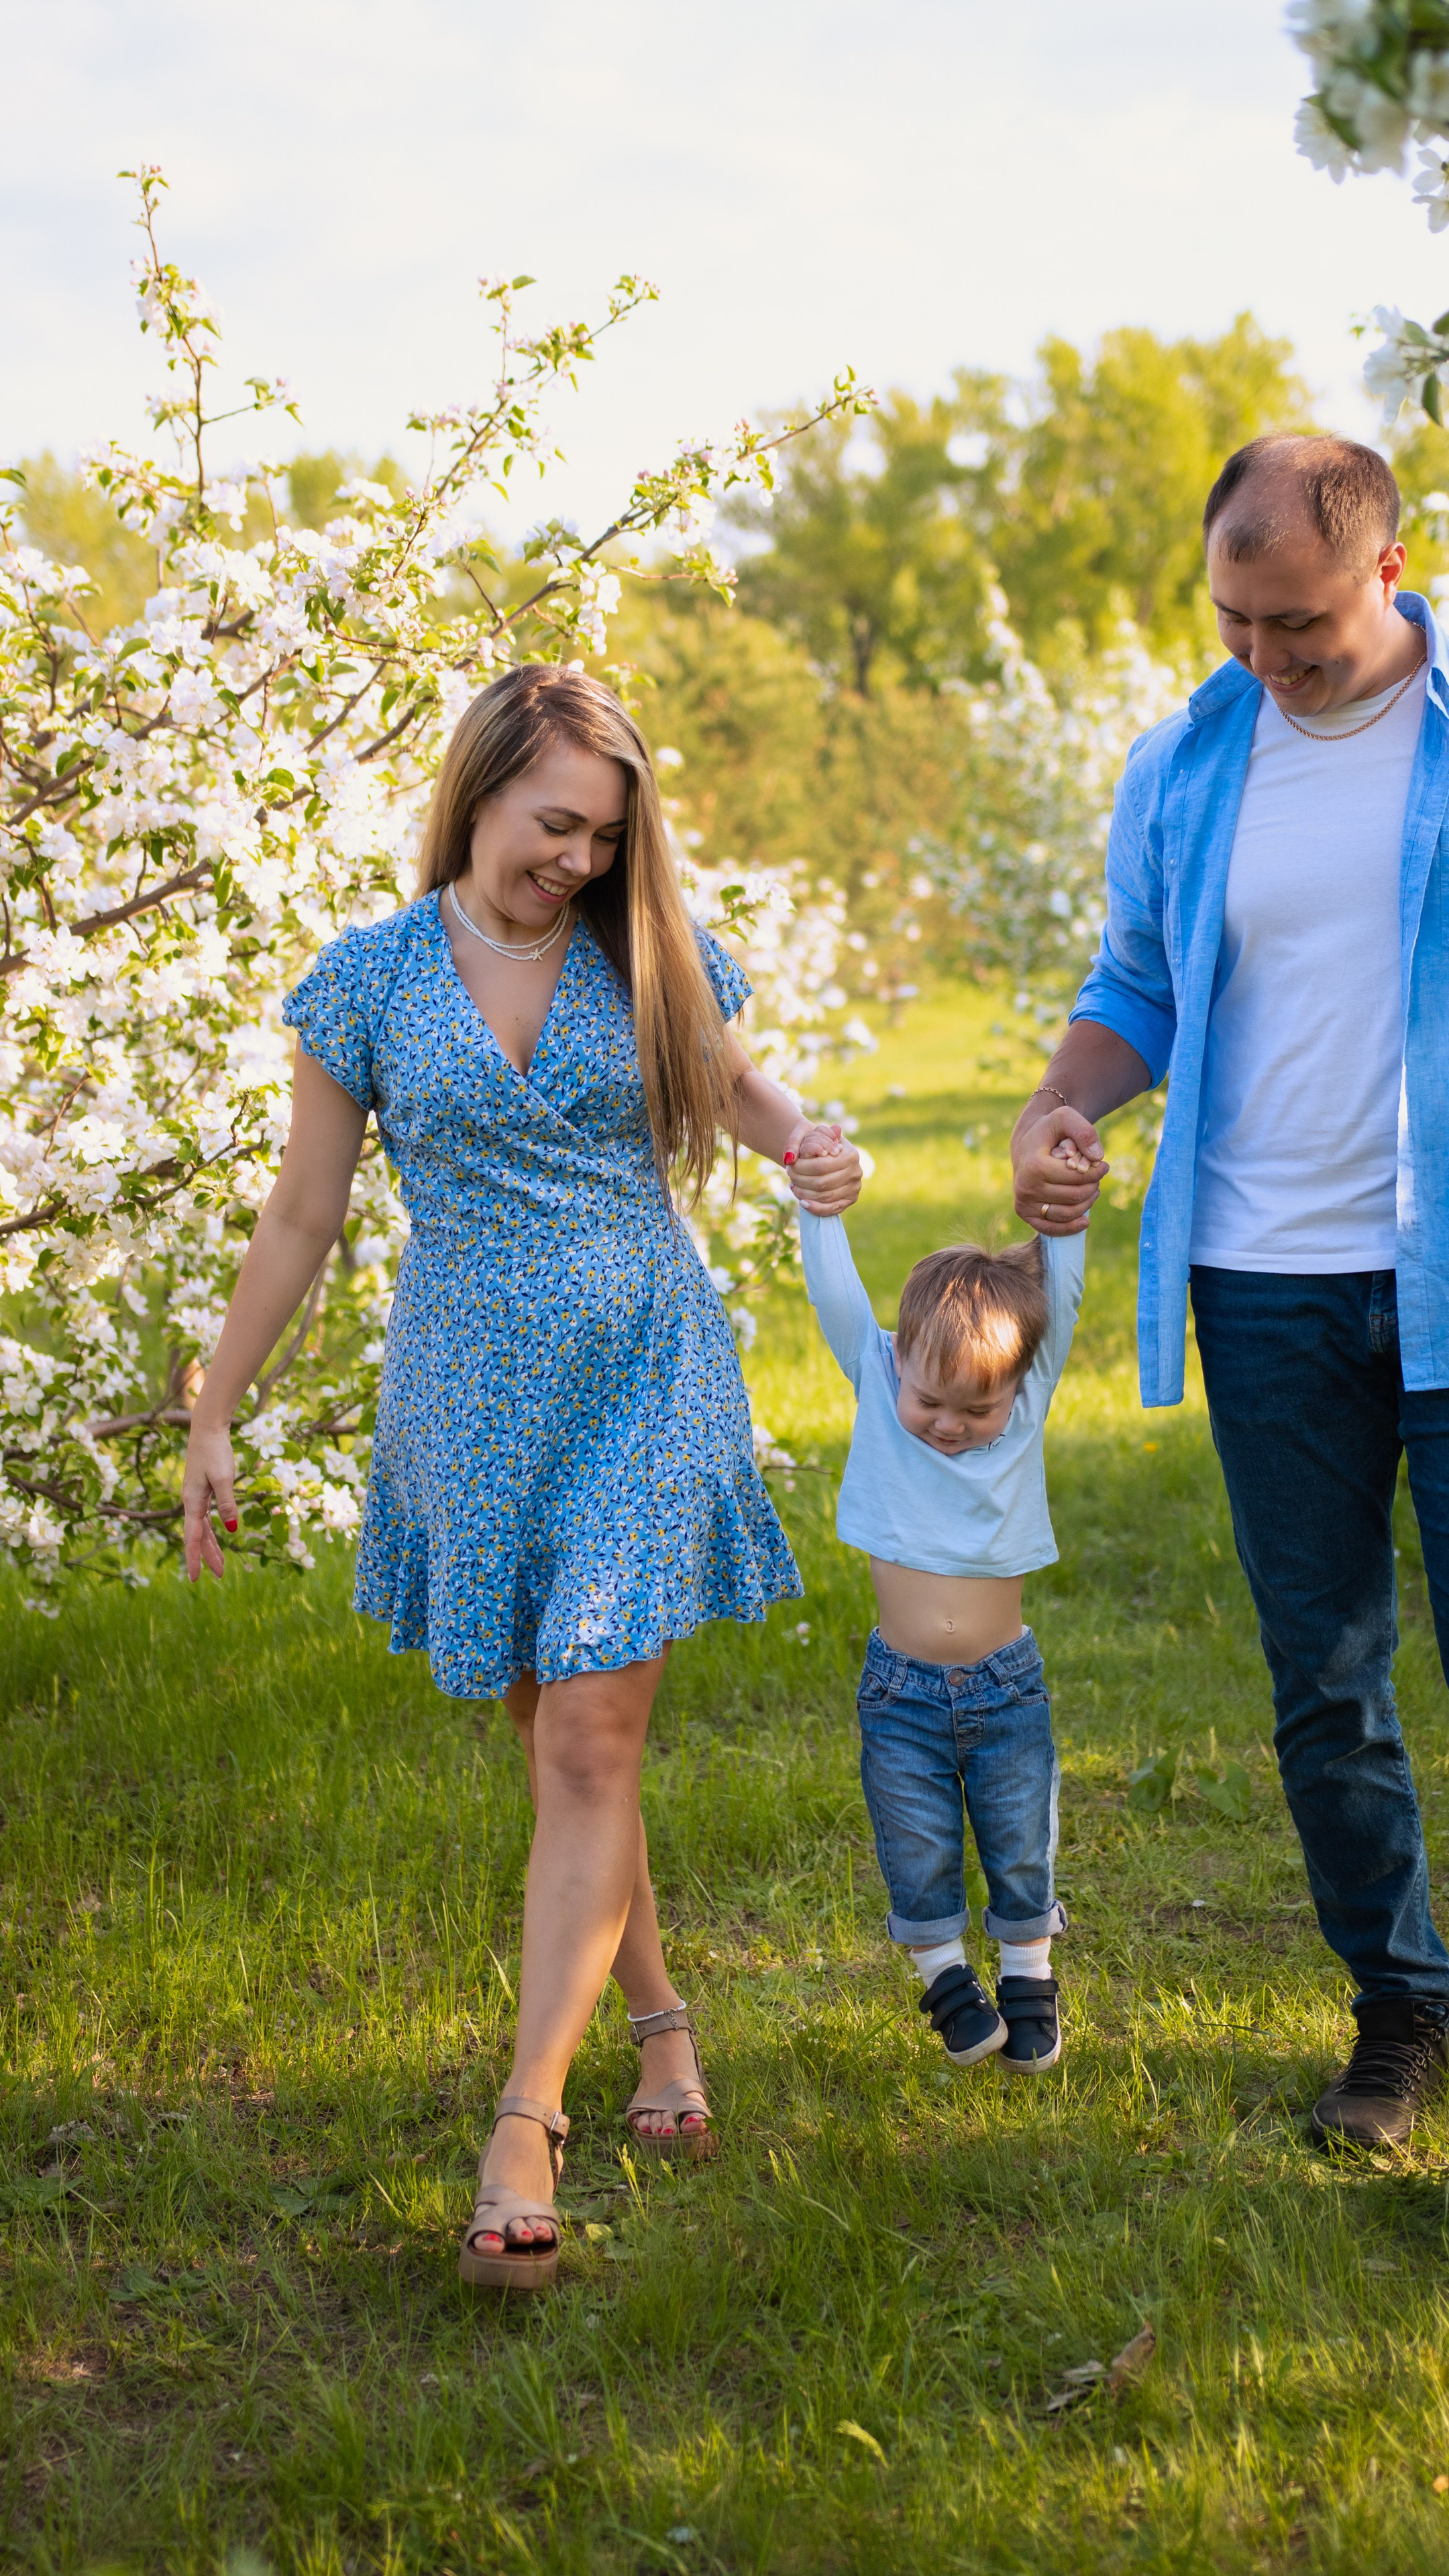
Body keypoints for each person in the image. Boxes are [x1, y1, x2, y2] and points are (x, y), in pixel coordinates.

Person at [1011, 434, 1449, 2239]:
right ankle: (1397, 2013)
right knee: (1324, 1688)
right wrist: (1064, 1099)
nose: (1268, 655)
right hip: (1265, 1289)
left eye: (1302, 623)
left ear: (1398, 564)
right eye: (1237, 619)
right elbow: (1137, 985)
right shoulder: (1187, 758)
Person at [181, 664, 861, 2292]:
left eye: (602, 833)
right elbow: (302, 1216)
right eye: (555, 822)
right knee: (562, 1742)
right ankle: (661, 2028)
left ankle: (523, 2122)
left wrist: (807, 1145)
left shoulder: (645, 950)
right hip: (468, 1405)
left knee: (589, 1731)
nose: (575, 856)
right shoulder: (368, 983)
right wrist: (212, 1405)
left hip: (639, 1372)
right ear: (479, 790)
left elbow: (732, 1088)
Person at [799, 1168, 1089, 2076]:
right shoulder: (880, 1383)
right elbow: (836, 1297)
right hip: (901, 1688)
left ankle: (1028, 1974)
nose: (950, 1426)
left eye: (977, 1409)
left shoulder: (1025, 1400)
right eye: (931, 1402)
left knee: (1019, 1836)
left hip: (1007, 1685)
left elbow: (1063, 1297)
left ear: (1017, 1389)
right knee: (916, 1842)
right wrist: (818, 1210)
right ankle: (944, 1976)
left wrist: (1064, 1217)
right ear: (896, 1368)